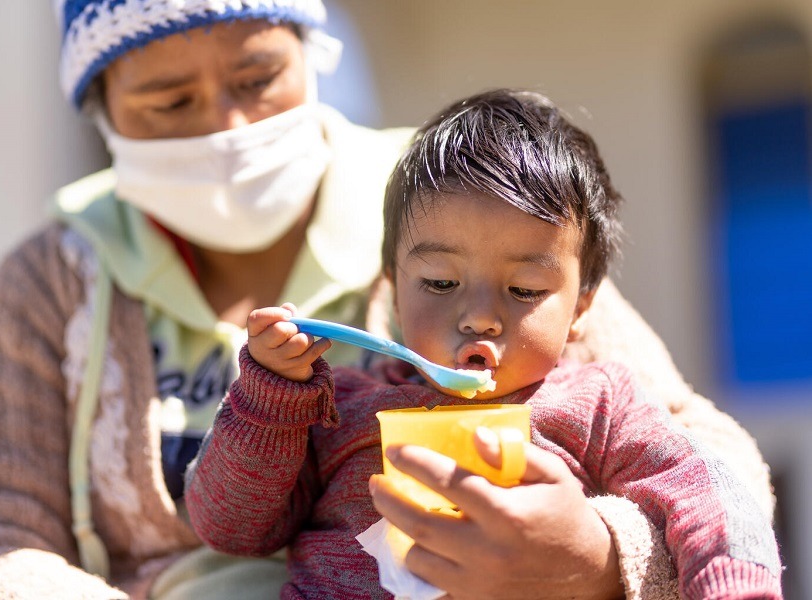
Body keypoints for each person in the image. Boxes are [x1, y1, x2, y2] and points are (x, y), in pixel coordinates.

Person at [0, 1, 773, 599]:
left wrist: (595, 558)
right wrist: (266, 402)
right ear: (101, 111)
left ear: (311, 52)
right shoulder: (51, 281)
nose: (230, 127)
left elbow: (705, 460)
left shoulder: (465, 205)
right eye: (170, 101)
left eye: (258, 77)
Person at [184, 89, 782, 599]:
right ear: (392, 290)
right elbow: (230, 529)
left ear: (581, 309)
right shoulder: (332, 406)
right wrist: (269, 397)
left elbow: (711, 496)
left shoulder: (601, 405)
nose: (479, 317)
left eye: (523, 290)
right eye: (441, 283)